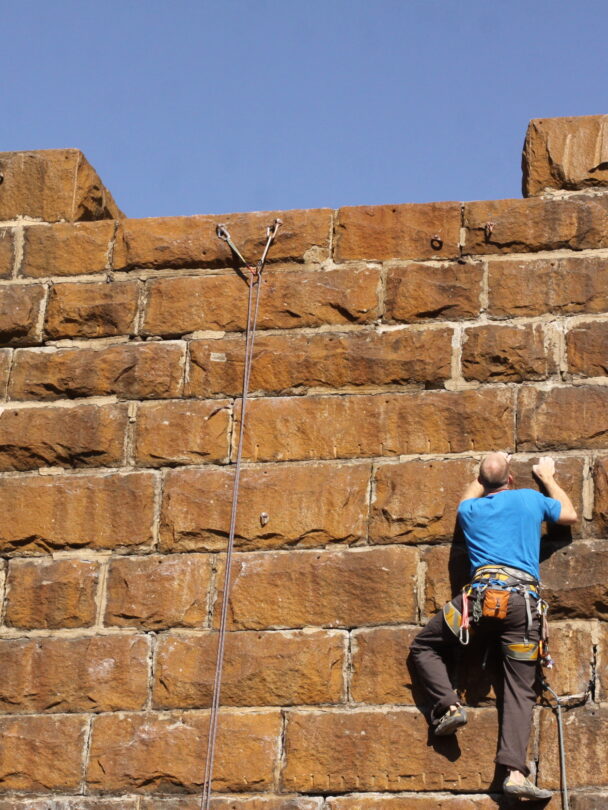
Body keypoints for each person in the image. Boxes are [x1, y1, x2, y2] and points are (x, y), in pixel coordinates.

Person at [410, 452, 577, 800]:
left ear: (481, 482)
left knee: (425, 645)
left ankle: (449, 706)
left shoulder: (470, 511)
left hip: (478, 603)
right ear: (511, 479)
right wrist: (547, 476)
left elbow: (467, 498)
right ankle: (514, 773)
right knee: (520, 688)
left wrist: (488, 469)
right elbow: (568, 515)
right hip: (522, 608)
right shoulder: (529, 498)